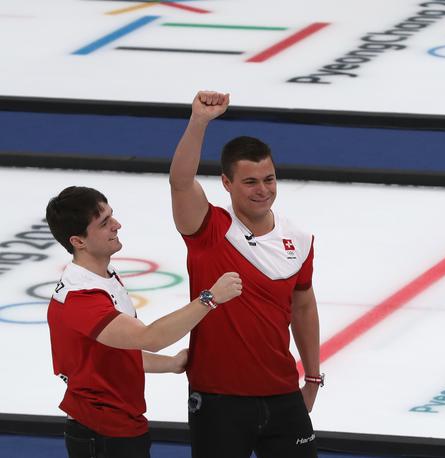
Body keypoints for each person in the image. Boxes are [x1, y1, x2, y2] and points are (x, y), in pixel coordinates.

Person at [169, 91, 321, 458]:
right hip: (219, 400)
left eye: (269, 179)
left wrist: (313, 377)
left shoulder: (298, 240)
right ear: (226, 183)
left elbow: (303, 308)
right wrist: (199, 122)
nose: (263, 191)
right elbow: (180, 181)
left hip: (282, 393)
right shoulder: (207, 229)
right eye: (251, 182)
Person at [45, 186, 242, 458]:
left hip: (119, 426)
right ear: (78, 241)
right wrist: (209, 298)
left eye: (112, 216)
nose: (117, 225)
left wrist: (171, 364)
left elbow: (114, 353)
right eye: (104, 223)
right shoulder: (82, 297)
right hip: (102, 431)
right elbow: (150, 337)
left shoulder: (104, 275)